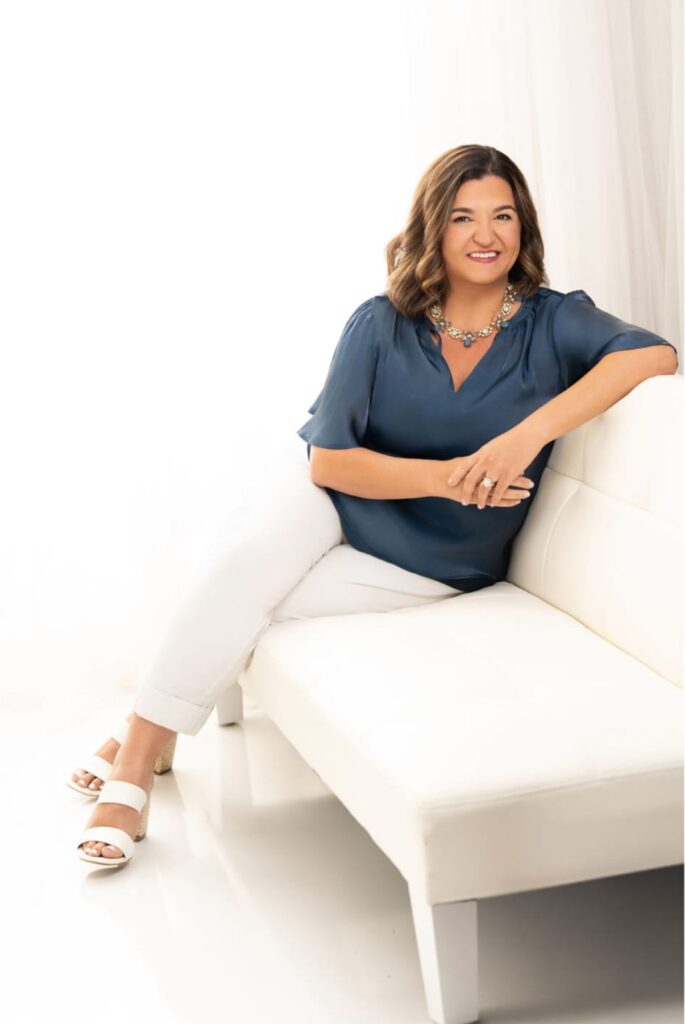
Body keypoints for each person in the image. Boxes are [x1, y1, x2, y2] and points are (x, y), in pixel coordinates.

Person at [71, 144, 678, 866]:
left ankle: (144, 728)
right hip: (332, 502)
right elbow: (330, 462)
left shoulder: (554, 321)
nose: (485, 235)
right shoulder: (380, 321)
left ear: (524, 226)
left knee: (241, 599)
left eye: (502, 215)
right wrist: (448, 478)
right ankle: (138, 761)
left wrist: (525, 436)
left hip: (433, 562)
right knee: (245, 565)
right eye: (462, 217)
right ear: (433, 226)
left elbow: (655, 355)